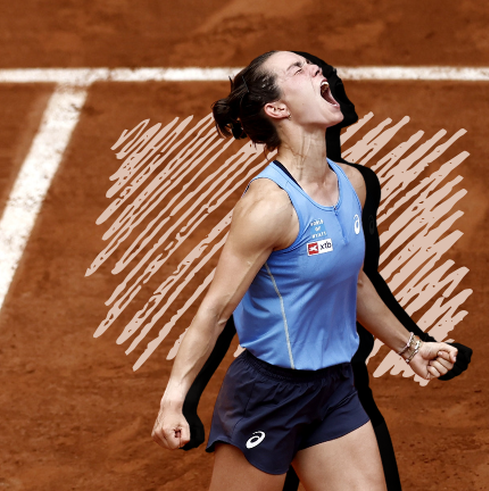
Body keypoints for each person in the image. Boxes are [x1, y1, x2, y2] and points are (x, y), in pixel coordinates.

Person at [151, 50, 458, 491]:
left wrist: (410, 347)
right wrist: (174, 399)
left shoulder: (351, 184)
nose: (317, 68)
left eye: (311, 65)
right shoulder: (269, 207)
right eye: (298, 69)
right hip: (268, 396)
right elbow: (216, 311)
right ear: (277, 109)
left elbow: (352, 281)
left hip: (334, 387)